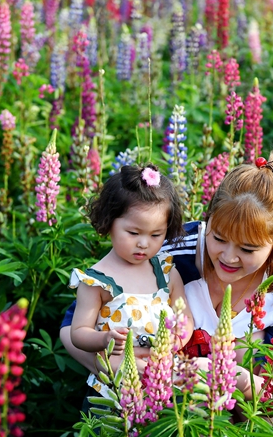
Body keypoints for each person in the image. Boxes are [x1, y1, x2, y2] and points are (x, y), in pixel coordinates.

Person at [60, 153, 273, 398]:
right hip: (151, 395)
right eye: (219, 238)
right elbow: (72, 328)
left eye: (247, 248)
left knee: (247, 346)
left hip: (236, 411)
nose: (229, 257)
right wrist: (122, 372)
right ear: (208, 219)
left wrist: (230, 376)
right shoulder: (168, 249)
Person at [66, 164, 194, 401]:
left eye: (156, 235)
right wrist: (104, 339)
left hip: (164, 380)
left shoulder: (166, 272)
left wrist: (175, 340)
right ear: (109, 222)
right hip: (116, 386)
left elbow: (185, 318)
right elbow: (78, 333)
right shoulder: (96, 281)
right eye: (134, 233)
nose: (144, 243)